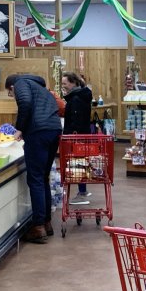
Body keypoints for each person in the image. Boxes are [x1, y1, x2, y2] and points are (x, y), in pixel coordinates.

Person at [5, 73, 62, 243]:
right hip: (54, 130)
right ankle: (46, 222)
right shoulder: (40, 87)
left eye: (10, 93)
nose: (12, 96)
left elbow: (25, 103)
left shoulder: (21, 83)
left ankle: (38, 227)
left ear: (12, 87)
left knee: (35, 178)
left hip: (38, 132)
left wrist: (20, 129)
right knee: (43, 178)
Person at [61, 72, 94, 203]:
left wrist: (71, 134)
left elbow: (76, 119)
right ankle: (83, 190)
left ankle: (81, 192)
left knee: (78, 164)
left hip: (76, 137)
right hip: (83, 134)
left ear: (73, 83)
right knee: (81, 162)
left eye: (65, 83)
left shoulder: (75, 99)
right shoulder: (82, 95)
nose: (63, 86)